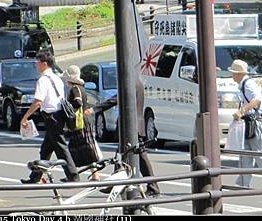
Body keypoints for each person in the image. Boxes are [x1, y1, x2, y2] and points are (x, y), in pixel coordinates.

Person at [94, 76, 160, 197]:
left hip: (132, 124)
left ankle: (153, 186)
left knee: (139, 155)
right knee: (122, 153)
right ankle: (116, 184)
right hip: (134, 123)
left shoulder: (131, 80)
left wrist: (96, 109)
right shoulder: (137, 80)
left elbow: (117, 99)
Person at [20, 52, 80, 183]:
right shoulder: (56, 78)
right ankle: (36, 176)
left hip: (52, 117)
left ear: (44, 63)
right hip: (58, 115)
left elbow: (37, 101)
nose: (35, 64)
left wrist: (25, 117)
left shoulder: (43, 80)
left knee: (61, 147)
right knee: (46, 149)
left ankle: (73, 175)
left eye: (37, 62)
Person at [229, 59, 262, 188]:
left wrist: (241, 111)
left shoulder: (247, 84)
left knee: (261, 155)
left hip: (254, 122)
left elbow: (256, 100)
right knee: (245, 153)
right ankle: (242, 183)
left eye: (233, 72)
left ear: (238, 73)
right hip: (250, 122)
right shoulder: (244, 84)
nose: (232, 75)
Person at [63, 65, 101, 181]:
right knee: (85, 149)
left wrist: (69, 109)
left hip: (80, 123)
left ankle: (73, 174)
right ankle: (90, 174)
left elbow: (78, 102)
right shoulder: (81, 88)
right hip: (85, 121)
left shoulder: (75, 89)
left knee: (77, 149)